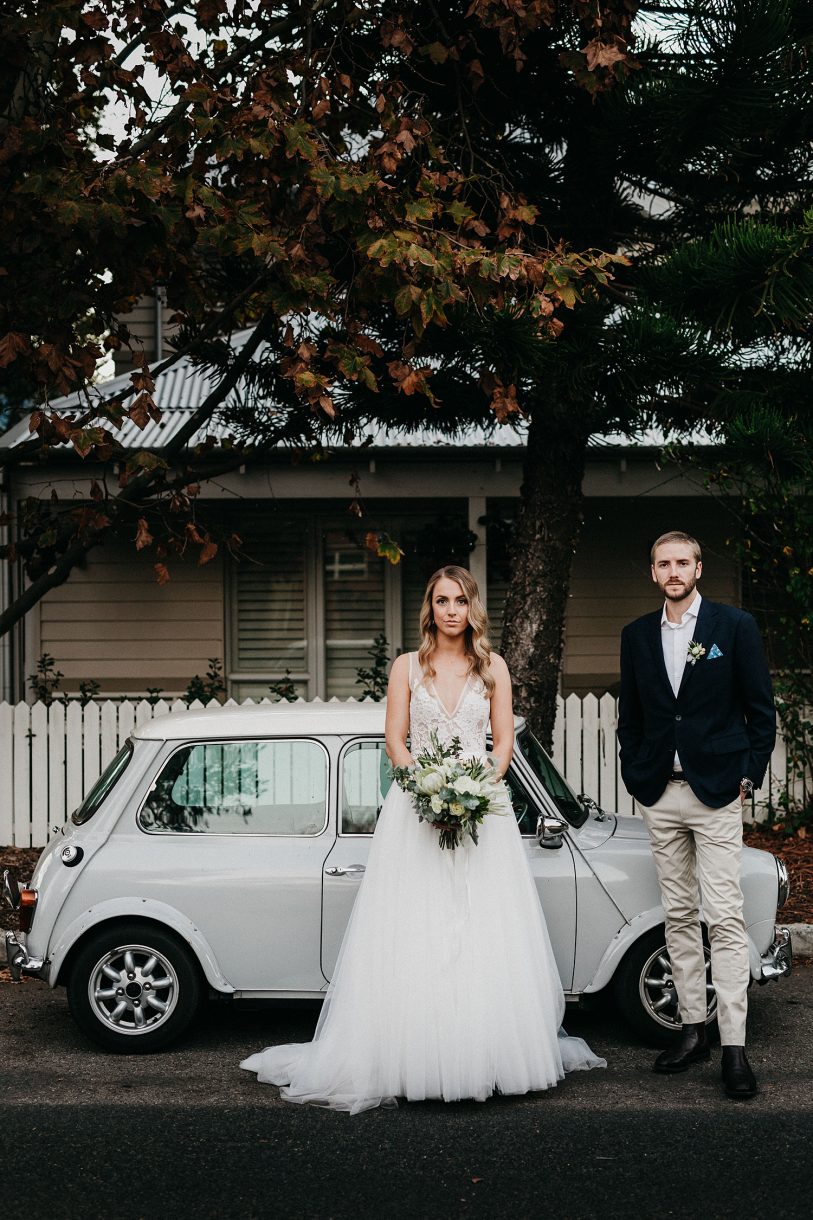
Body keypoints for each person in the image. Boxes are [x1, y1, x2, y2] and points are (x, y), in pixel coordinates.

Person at [241, 564, 605, 1112]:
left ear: (472, 607)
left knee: (483, 929)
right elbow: (395, 740)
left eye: (460, 600)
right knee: (416, 929)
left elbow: (503, 742)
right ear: (429, 608)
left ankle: (487, 1055)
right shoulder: (407, 667)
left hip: (484, 815)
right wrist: (431, 793)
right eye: (441, 600)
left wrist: (475, 792)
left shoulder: (494, 668)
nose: (451, 610)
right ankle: (411, 1056)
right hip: (417, 812)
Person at [618, 531, 776, 1099]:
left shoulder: (734, 628)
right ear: (653, 572)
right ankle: (692, 1030)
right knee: (679, 915)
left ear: (699, 569)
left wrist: (746, 777)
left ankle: (733, 1045)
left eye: (683, 562)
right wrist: (639, 777)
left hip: (716, 795)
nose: (674, 571)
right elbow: (630, 717)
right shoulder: (637, 635)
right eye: (664, 563)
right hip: (662, 795)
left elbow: (762, 711)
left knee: (726, 918)